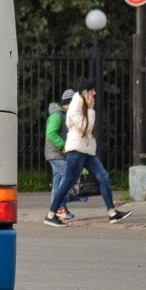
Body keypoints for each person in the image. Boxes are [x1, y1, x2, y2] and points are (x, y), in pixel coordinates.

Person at [44, 78, 131, 227]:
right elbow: (86, 127)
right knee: (68, 183)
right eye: (92, 91)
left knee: (103, 176)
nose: (95, 93)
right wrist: (91, 110)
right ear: (86, 93)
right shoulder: (75, 107)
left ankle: (112, 213)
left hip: (87, 151)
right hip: (76, 151)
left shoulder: (83, 104)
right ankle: (51, 215)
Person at [45, 88, 76, 222]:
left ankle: (56, 208)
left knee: (57, 182)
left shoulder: (63, 115)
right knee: (68, 177)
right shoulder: (57, 115)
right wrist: (63, 145)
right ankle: (60, 208)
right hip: (55, 154)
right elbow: (51, 134)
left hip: (57, 154)